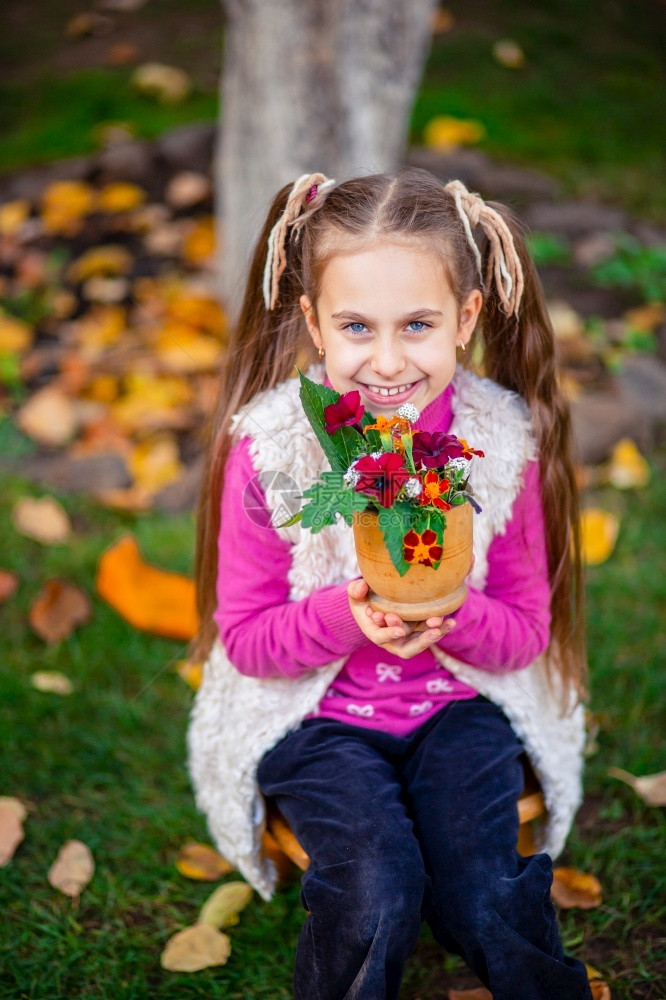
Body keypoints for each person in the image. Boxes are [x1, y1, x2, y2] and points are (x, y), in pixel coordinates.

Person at [187, 169, 594, 1000]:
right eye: (355, 326)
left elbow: (523, 631)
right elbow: (251, 642)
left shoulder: (498, 442)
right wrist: (348, 614)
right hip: (317, 719)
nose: (386, 359)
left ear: (467, 318)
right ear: (313, 323)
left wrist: (449, 607)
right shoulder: (276, 451)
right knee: (376, 889)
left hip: (459, 710)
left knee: (483, 891)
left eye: (417, 325)